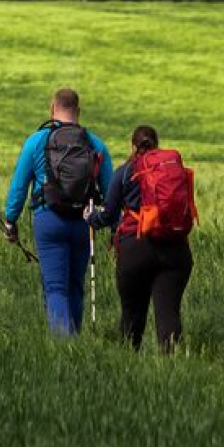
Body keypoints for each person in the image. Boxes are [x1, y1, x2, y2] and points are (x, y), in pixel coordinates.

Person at [3, 88, 113, 336]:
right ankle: (75, 346)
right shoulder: (95, 144)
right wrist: (115, 229)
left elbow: (19, 187)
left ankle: (66, 348)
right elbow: (110, 190)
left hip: (48, 219)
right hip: (84, 222)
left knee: (55, 288)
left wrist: (10, 221)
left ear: (52, 108)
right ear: (78, 112)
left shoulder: (36, 141)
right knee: (75, 287)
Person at [86, 124, 193, 353]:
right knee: (168, 311)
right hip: (175, 249)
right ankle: (172, 368)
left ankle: (128, 364)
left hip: (135, 247)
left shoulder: (124, 172)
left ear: (133, 146)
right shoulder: (171, 169)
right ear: (157, 144)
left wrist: (91, 218)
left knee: (132, 313)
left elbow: (109, 214)